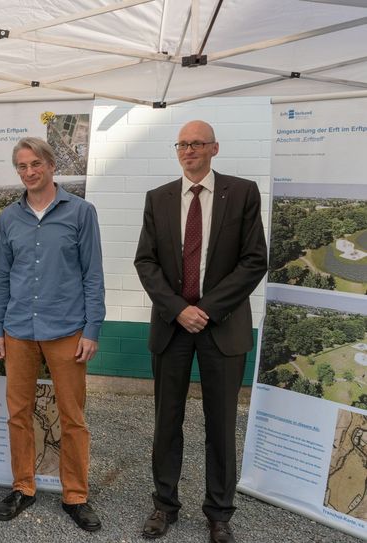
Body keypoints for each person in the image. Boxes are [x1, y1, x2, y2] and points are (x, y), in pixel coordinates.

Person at [134, 121, 267, 543]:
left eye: (196, 144)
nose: (189, 150)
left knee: (221, 423)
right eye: (182, 144)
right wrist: (179, 310)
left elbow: (254, 260)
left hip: (221, 327)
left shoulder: (242, 192)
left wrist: (204, 310)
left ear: (214, 148)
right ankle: (164, 505)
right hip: (172, 328)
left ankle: (219, 513)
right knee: (166, 421)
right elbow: (146, 262)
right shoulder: (158, 199)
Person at [0, 137, 105, 532]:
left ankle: (76, 495)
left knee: (72, 416)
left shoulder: (81, 213)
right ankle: (23, 486)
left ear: (52, 165)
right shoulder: (9, 219)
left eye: (35, 163)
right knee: (18, 414)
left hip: (66, 330)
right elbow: (1, 277)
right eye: (21, 166)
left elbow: (93, 276)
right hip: (18, 329)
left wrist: (92, 330)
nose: (29, 172)